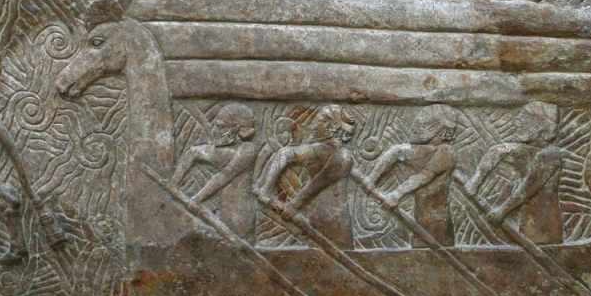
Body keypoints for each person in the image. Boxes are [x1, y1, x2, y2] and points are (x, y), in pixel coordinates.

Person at [255, 104, 357, 248]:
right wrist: (265, 188)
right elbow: (284, 154)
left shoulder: (342, 157)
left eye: (319, 121)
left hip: (333, 222)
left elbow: (317, 184)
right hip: (323, 219)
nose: (314, 125)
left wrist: (292, 205)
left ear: (331, 127)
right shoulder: (320, 151)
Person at [363, 105, 464, 246]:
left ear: (440, 130)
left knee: (437, 250)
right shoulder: (425, 150)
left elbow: (424, 176)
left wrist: (396, 194)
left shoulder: (446, 152)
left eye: (423, 125)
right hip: (420, 219)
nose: (414, 128)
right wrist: (371, 179)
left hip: (437, 222)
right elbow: (395, 152)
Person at [465, 101, 564, 246]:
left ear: (539, 126)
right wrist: (475, 181)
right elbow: (497, 151)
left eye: (524, 120)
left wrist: (502, 211)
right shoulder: (531, 151)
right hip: (527, 220)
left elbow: (527, 188)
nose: (517, 123)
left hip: (542, 224)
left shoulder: (550, 156)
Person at [173, 102, 258, 238]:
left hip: (239, 218)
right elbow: (192, 153)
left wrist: (196, 199)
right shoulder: (226, 152)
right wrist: (173, 184)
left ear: (236, 128)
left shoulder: (248, 150)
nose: (214, 130)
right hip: (222, 213)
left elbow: (223, 176)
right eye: (215, 125)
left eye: (220, 126)